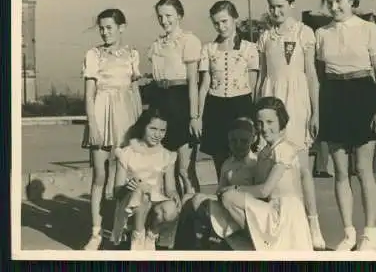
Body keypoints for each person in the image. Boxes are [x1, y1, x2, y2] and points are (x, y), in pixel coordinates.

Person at [315, 0, 376, 251]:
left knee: (363, 169)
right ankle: (348, 234)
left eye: (339, 1)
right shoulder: (322, 33)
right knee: (341, 172)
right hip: (334, 97)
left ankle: (370, 233)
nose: (334, 7)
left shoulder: (369, 29)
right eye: (330, 2)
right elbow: (320, 77)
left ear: (352, 2)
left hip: (362, 95)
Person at [255, 0, 325, 249]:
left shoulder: (304, 33)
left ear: (291, 5)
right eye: (272, 6)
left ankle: (313, 225)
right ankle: (272, 227)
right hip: (270, 97)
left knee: (302, 168)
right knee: (269, 164)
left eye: (280, 6)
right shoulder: (265, 37)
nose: (275, 11)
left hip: (296, 102)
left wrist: (315, 112)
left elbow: (312, 76)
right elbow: (261, 76)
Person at [81, 8, 143, 250]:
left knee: (124, 178)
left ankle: (120, 230)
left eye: (109, 27)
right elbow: (88, 96)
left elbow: (135, 91)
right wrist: (93, 125)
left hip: (126, 116)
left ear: (121, 27)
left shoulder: (132, 54)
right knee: (99, 176)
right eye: (102, 28)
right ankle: (95, 233)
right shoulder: (94, 54)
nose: (105, 32)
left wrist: (139, 127)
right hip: (100, 114)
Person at [219, 97, 314, 250]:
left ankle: (262, 244)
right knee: (227, 199)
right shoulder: (264, 152)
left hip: (287, 215)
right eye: (260, 123)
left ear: (281, 122)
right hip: (271, 209)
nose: (264, 128)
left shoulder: (284, 149)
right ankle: (258, 242)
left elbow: (264, 190)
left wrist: (234, 188)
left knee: (229, 197)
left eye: (270, 122)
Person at [174, 117, 258, 250]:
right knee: (186, 199)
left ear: (253, 139)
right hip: (225, 203)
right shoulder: (227, 163)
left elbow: (259, 195)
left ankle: (198, 243)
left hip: (241, 211)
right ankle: (182, 247)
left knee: (197, 200)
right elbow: (220, 190)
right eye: (233, 141)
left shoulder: (255, 163)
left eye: (244, 141)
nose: (238, 145)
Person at [148, 0, 202, 197]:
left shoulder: (189, 41)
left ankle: (193, 217)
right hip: (161, 103)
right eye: (160, 16)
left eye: (169, 15)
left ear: (179, 15)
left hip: (181, 102)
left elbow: (193, 83)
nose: (164, 21)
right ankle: (174, 219)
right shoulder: (157, 44)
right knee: (166, 170)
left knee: (185, 170)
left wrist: (194, 116)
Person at [198, 1, 259, 179]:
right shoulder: (208, 49)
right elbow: (204, 86)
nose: (221, 26)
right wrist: (198, 117)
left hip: (241, 105)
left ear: (235, 19)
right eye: (216, 23)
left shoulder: (249, 48)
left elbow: (253, 86)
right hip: (215, 107)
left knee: (245, 156)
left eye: (225, 21)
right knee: (220, 158)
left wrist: (254, 117)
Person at [110, 108, 181, 250]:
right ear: (143, 127)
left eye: (162, 130)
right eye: (153, 128)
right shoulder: (127, 153)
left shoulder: (167, 155)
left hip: (154, 205)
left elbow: (170, 188)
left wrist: (174, 194)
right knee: (142, 190)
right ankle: (137, 237)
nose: (157, 135)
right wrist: (126, 187)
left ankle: (151, 236)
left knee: (170, 209)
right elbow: (117, 192)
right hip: (131, 207)